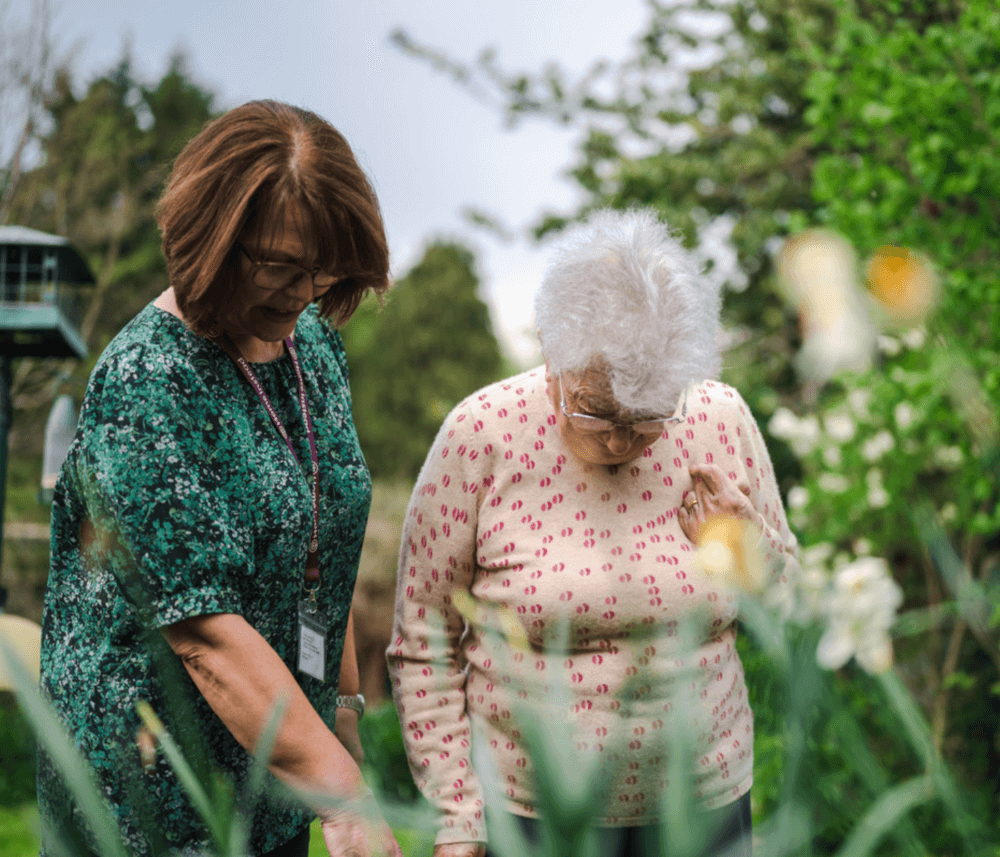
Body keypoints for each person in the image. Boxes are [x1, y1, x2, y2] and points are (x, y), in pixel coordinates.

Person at [39, 100, 403, 857]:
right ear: (212, 239)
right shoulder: (148, 384)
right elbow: (204, 631)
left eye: (321, 266)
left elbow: (320, 536)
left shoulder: (313, 352)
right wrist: (342, 798)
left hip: (272, 782)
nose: (304, 290)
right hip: (152, 803)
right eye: (279, 264)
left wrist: (340, 711)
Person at [387, 209, 800, 857]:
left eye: (648, 417)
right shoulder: (483, 434)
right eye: (598, 411)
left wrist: (753, 549)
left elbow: (790, 603)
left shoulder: (718, 419)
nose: (622, 439)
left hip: (703, 806)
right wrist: (458, 813)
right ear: (553, 358)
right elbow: (424, 639)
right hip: (533, 814)